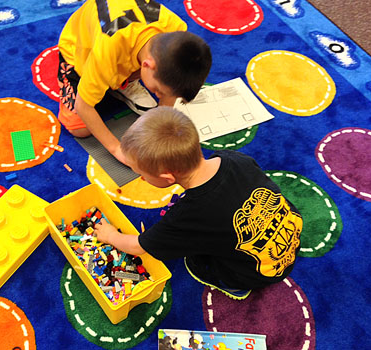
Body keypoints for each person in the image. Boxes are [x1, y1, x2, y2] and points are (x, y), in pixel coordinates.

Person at [94, 107, 303, 300]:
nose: (140, 179)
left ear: (167, 177)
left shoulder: (187, 216)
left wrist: (111, 235)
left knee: (196, 261)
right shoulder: (233, 158)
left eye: (141, 174)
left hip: (256, 272)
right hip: (290, 237)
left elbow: (138, 246)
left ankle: (234, 285)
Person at [57, 0, 211, 164]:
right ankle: (116, 81)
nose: (158, 95)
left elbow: (172, 89)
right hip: (79, 54)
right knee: (80, 128)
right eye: (158, 91)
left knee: (158, 82)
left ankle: (119, 81)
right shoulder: (108, 48)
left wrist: (161, 124)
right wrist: (117, 149)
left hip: (122, 53)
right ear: (146, 65)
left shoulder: (176, 28)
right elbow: (83, 106)